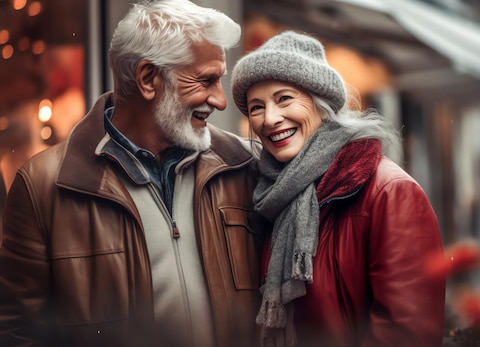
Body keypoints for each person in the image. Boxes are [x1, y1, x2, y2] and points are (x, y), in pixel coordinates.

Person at [0, 1, 266, 346]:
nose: (220, 100)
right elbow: (18, 333)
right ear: (147, 79)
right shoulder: (43, 186)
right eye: (206, 80)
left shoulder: (245, 165)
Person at [231, 30, 446, 347]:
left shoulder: (390, 192)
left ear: (321, 104)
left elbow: (405, 334)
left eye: (284, 99)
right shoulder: (272, 196)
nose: (270, 119)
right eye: (256, 107)